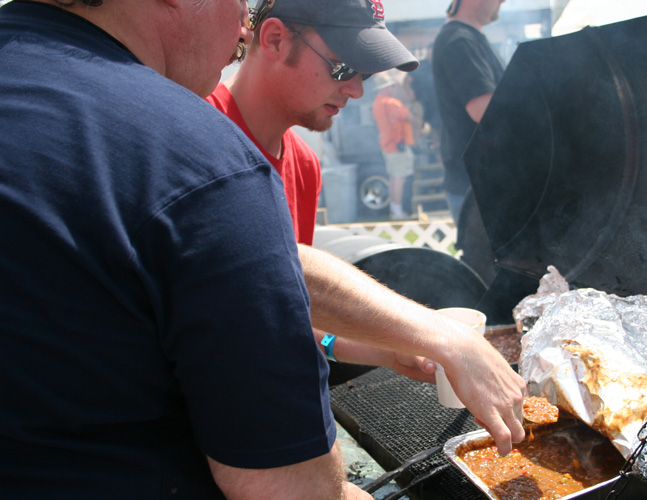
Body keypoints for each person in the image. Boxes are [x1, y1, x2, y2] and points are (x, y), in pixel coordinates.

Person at [0, 2, 519, 500]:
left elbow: (259, 297)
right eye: (344, 67)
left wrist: (387, 341)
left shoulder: (287, 165)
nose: (241, 26)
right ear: (274, 39)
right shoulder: (200, 146)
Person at [206, 0, 525, 450]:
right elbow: (269, 265)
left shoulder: (305, 165)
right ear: (275, 39)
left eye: (366, 74)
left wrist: (381, 350)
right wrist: (444, 337)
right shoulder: (197, 134)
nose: (356, 90)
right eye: (343, 67)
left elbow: (279, 307)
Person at [432, 0, 507, 226]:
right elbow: (484, 111)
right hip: (477, 186)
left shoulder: (468, 38)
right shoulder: (460, 41)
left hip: (483, 182)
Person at [372, 71, 418, 219]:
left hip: (387, 145)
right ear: (385, 88)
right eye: (390, 86)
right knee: (399, 178)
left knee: (393, 178)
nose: (392, 88)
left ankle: (395, 209)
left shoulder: (376, 103)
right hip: (398, 146)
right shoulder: (391, 103)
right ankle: (397, 212)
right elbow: (409, 117)